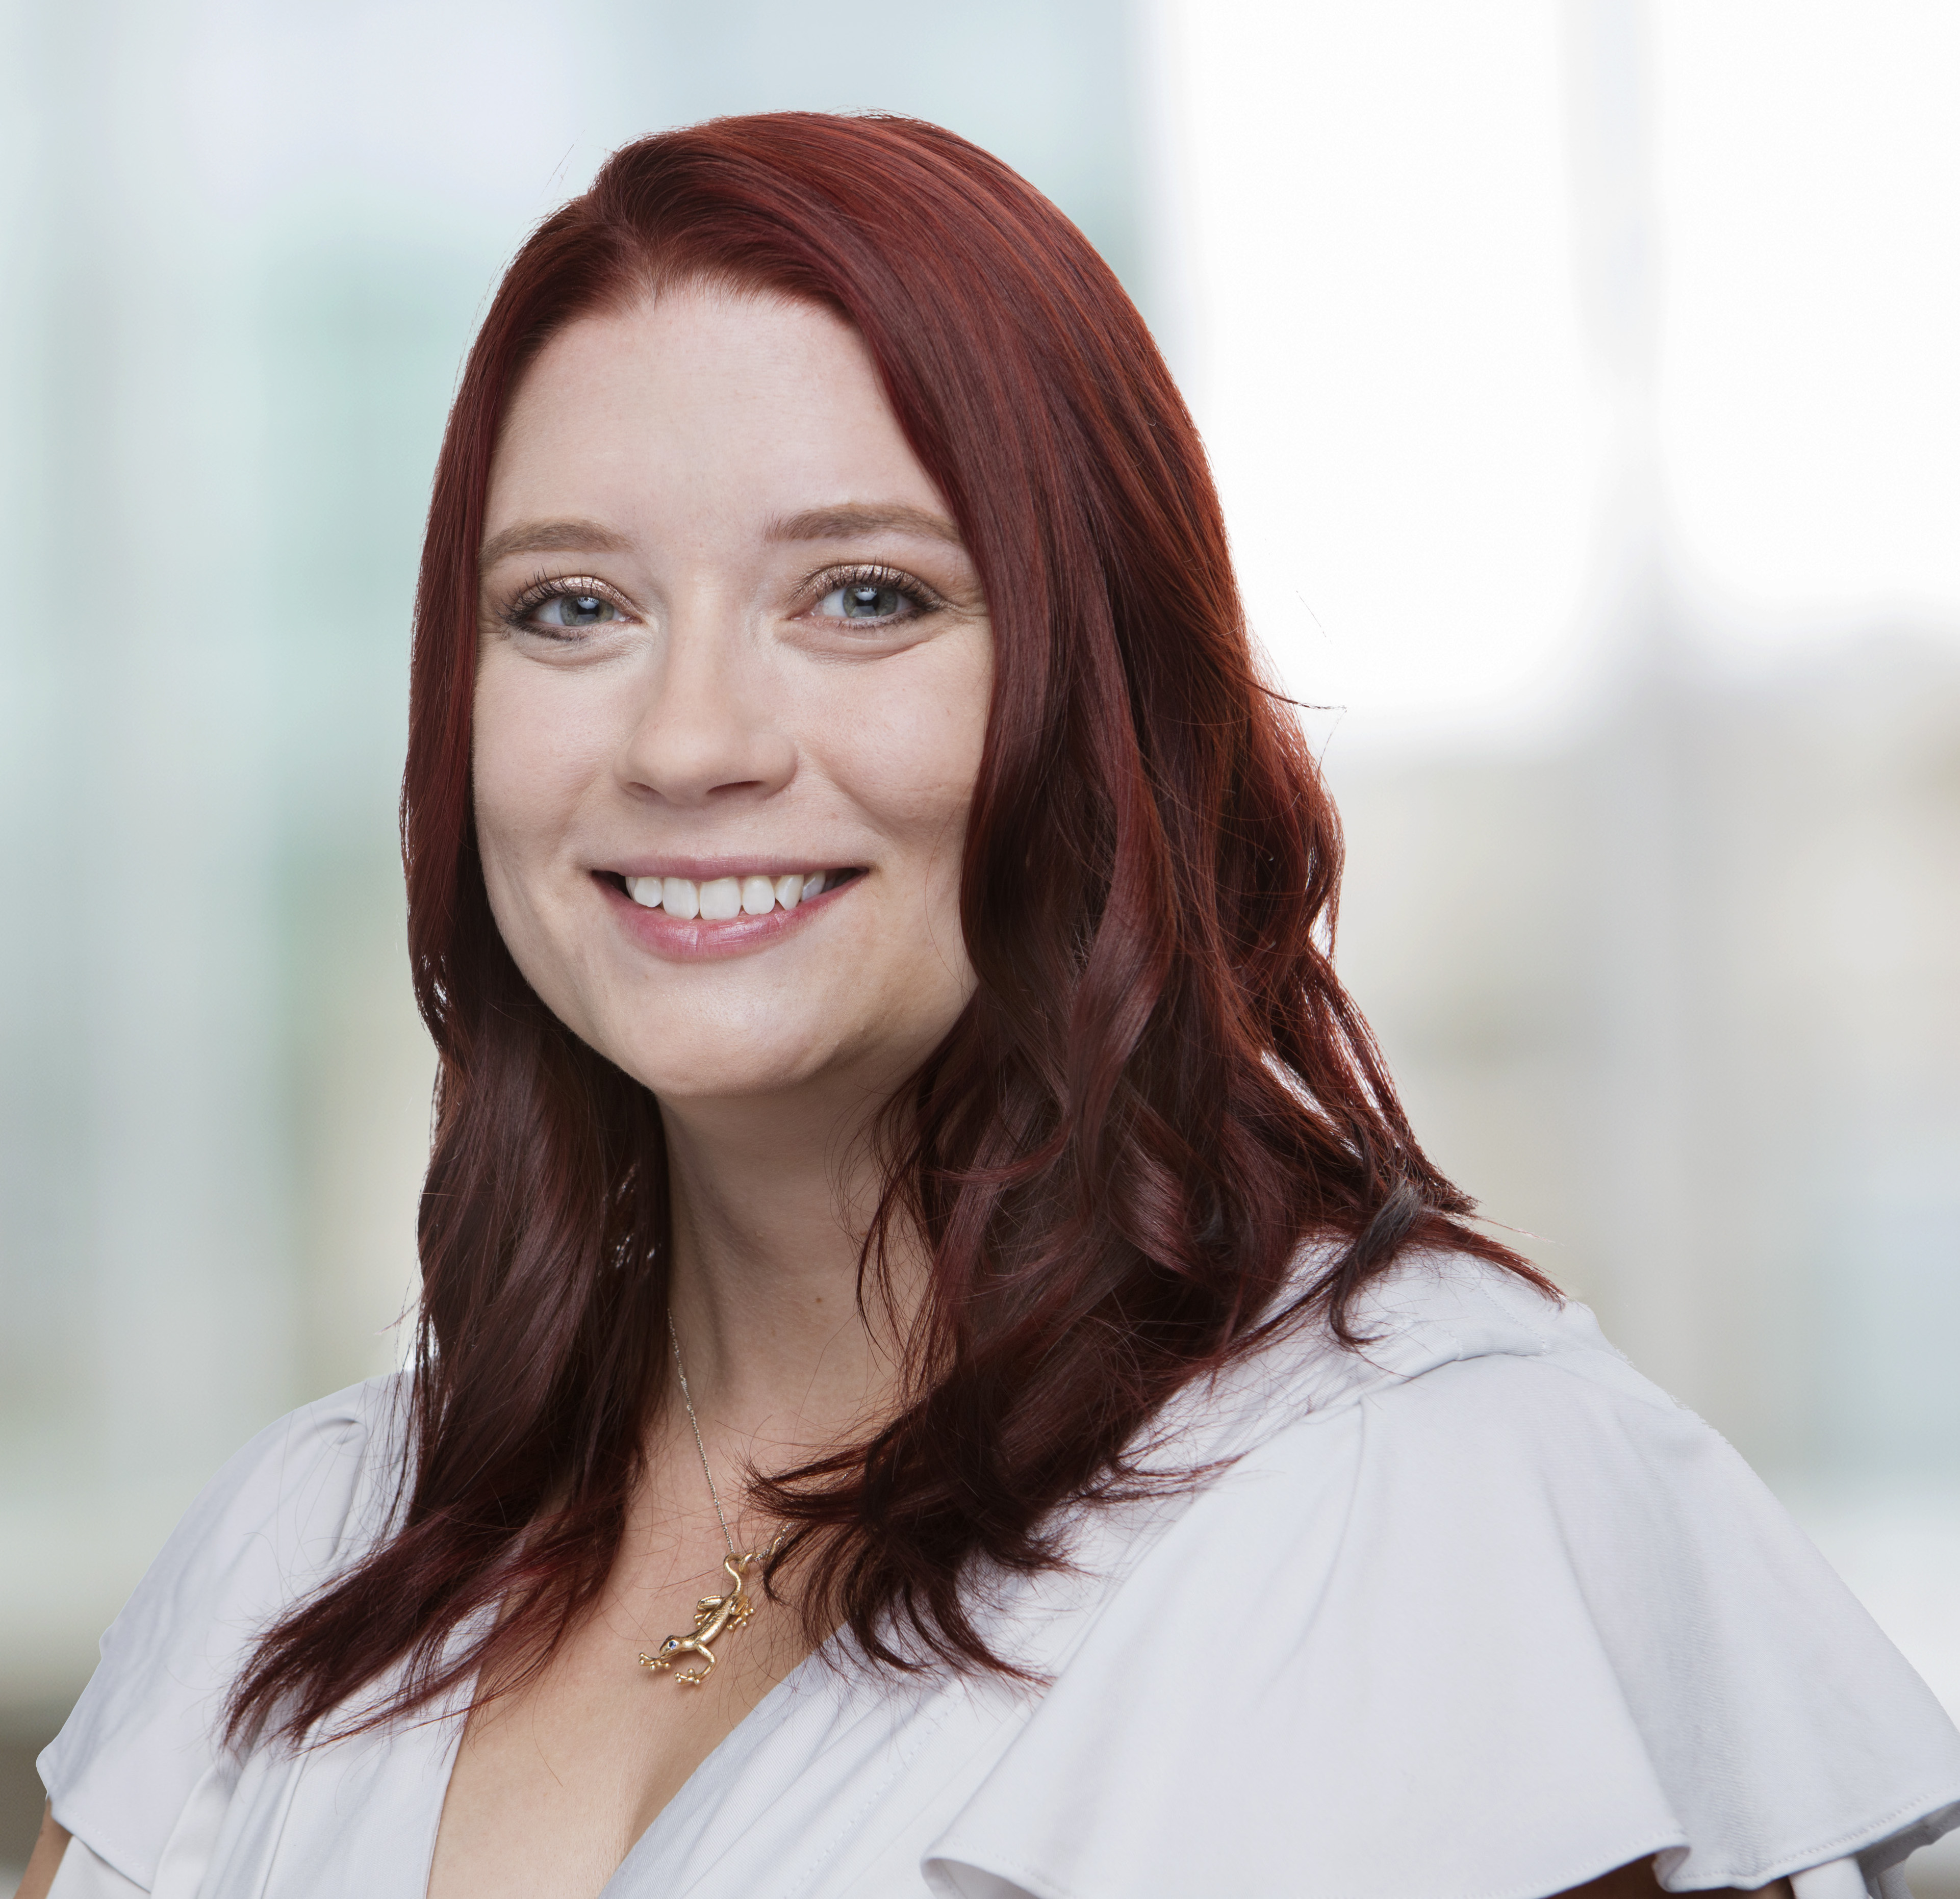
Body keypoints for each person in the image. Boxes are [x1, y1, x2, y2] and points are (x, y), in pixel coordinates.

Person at [17, 113, 1960, 1899]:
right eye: (571, 608)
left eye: (863, 595)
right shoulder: (307, 1546)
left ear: (1109, 693)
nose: (688, 740)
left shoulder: (1406, 1503)